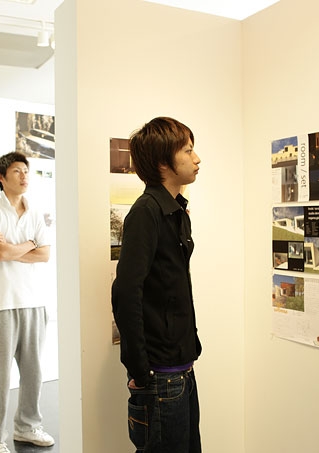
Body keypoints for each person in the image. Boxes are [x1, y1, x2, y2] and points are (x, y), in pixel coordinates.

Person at [112, 117, 203, 452]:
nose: (197, 159)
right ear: (164, 163)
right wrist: (140, 369)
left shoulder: (175, 211)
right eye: (188, 151)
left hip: (181, 368)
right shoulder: (146, 212)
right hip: (160, 375)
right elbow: (125, 293)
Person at [0, 151, 54, 453]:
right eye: (17, 171)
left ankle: (27, 427)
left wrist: (15, 247)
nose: (24, 176)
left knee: (34, 372)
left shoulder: (35, 212)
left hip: (34, 301)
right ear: (1, 177)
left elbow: (44, 255)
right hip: (2, 303)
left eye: (26, 171)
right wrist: (29, 244)